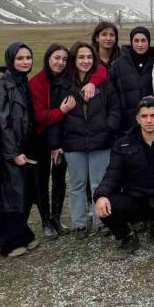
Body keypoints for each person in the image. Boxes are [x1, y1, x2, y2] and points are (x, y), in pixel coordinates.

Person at [94, 97, 154, 256]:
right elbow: (113, 174)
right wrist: (101, 195)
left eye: (153, 115)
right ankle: (127, 235)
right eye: (144, 116)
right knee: (105, 206)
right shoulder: (123, 143)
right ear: (138, 119)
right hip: (136, 199)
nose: (149, 120)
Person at [29, 44, 108, 238]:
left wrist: (108, 127)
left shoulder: (87, 79)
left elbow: (101, 72)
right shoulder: (52, 83)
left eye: (64, 59)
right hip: (59, 139)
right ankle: (64, 222)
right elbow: (48, 118)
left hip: (87, 140)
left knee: (88, 182)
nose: (60, 62)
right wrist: (56, 142)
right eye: (56, 58)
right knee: (68, 183)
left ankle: (93, 221)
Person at [48, 42, 122, 239]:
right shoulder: (62, 85)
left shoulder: (102, 83)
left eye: (89, 57)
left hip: (100, 141)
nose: (85, 61)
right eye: (81, 57)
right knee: (77, 184)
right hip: (73, 143)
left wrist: (109, 128)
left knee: (99, 183)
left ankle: (102, 221)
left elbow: (114, 107)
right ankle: (79, 224)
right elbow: (55, 117)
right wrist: (55, 144)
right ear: (74, 59)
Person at [0, 42, 39, 258]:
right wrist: (12, 153)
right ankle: (8, 243)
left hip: (25, 146)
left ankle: (23, 234)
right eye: (20, 58)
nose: (25, 62)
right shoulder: (1, 85)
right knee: (11, 196)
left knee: (24, 193)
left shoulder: (22, 82)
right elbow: (2, 122)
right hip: (10, 150)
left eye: (28, 57)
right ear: (10, 60)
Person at [109, 26, 154, 134]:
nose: (140, 44)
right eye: (136, 41)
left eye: (143, 40)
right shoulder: (118, 65)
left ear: (149, 42)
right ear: (131, 42)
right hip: (126, 125)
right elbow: (111, 95)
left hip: (152, 123)